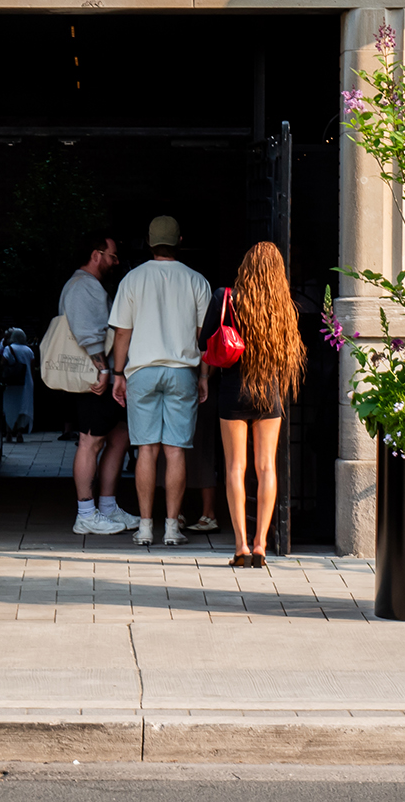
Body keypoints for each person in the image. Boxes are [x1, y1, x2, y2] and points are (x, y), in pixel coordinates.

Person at [202, 241, 307, 568]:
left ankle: (240, 546)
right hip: (269, 392)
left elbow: (205, 340)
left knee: (236, 468)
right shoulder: (283, 306)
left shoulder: (226, 298)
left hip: (233, 390)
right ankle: (262, 544)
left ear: (245, 266)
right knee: (266, 468)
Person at [110, 216, 211, 548]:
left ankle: (144, 527)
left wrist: (118, 373)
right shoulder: (197, 281)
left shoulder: (132, 280)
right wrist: (204, 376)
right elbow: (204, 336)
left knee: (146, 451)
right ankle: (171, 528)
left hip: (142, 371)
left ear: (149, 242)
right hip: (183, 370)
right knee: (176, 451)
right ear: (180, 240)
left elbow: (122, 332)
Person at [61, 231, 135, 536]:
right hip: (93, 377)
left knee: (118, 435)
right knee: (90, 441)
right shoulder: (84, 287)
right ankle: (86, 513)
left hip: (98, 375)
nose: (115, 262)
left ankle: (106, 507)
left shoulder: (85, 285)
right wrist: (104, 370)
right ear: (96, 255)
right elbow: (88, 333)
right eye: (112, 256)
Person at [0, 327, 35, 443]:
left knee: (10, 407)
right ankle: (19, 433)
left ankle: (9, 432)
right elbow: (32, 367)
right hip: (26, 383)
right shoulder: (29, 350)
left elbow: (3, 363)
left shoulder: (9, 349)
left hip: (11, 383)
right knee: (23, 407)